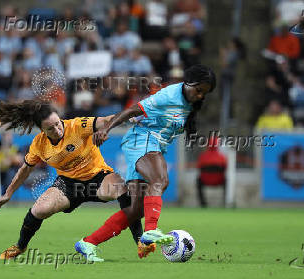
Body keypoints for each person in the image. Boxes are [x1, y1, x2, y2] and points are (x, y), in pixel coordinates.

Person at [0, 99, 150, 262]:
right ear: (42, 130)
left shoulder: (77, 126)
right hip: (68, 184)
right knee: (40, 210)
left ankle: (140, 241)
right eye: (50, 129)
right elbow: (24, 170)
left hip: (98, 177)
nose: (57, 130)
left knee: (121, 188)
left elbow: (106, 120)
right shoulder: (39, 144)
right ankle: (20, 246)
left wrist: (132, 116)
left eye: (58, 124)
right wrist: (7, 194)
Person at [88, 64, 216, 248]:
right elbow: (132, 110)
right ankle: (150, 231)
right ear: (188, 83)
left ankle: (88, 243)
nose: (200, 95)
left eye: (205, 93)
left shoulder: (191, 103)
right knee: (160, 180)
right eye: (199, 90)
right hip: (142, 140)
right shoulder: (168, 96)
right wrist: (106, 129)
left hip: (146, 144)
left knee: (136, 210)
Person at [196, 137, 227, 208]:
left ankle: (203, 204)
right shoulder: (222, 157)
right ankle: (225, 202)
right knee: (226, 180)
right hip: (219, 181)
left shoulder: (203, 156)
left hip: (205, 181)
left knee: (198, 180)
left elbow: (198, 167)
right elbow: (225, 168)